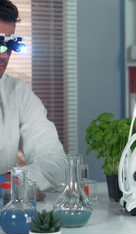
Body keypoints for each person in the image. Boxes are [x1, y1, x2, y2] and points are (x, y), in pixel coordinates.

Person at [0, 0, 67, 192]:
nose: (4, 55)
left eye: (9, 44)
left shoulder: (17, 92)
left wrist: (8, 181)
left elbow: (55, 165)